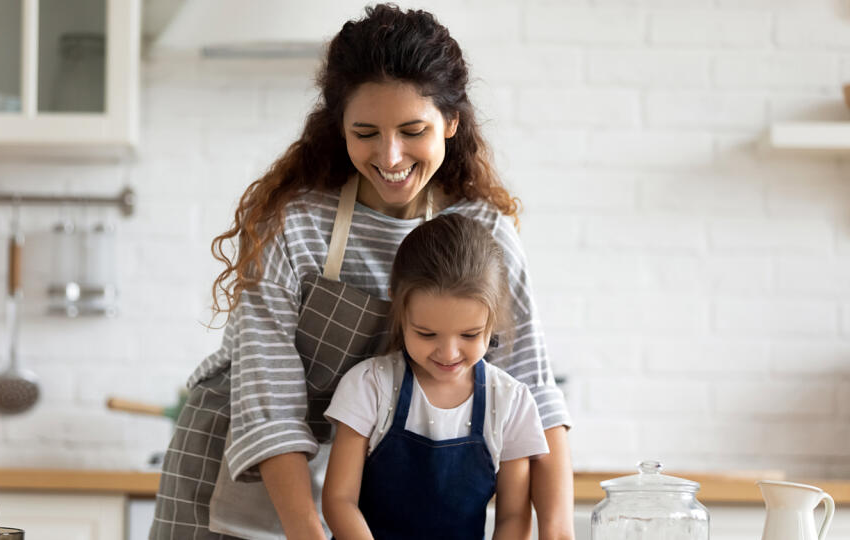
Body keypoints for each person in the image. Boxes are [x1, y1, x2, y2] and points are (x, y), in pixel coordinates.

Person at [150, 4, 574, 540]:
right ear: (340, 127)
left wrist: (558, 532)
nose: (390, 155)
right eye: (366, 131)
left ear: (451, 121)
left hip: (366, 497)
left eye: (412, 129)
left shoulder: (483, 233)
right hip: (239, 469)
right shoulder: (295, 226)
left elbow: (531, 388)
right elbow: (269, 399)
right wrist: (311, 530)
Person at [322, 214, 550, 540]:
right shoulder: (369, 386)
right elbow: (339, 502)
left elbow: (513, 517)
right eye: (427, 334)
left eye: (470, 335)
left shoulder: (511, 402)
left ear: (494, 316)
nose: (448, 353)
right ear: (400, 310)